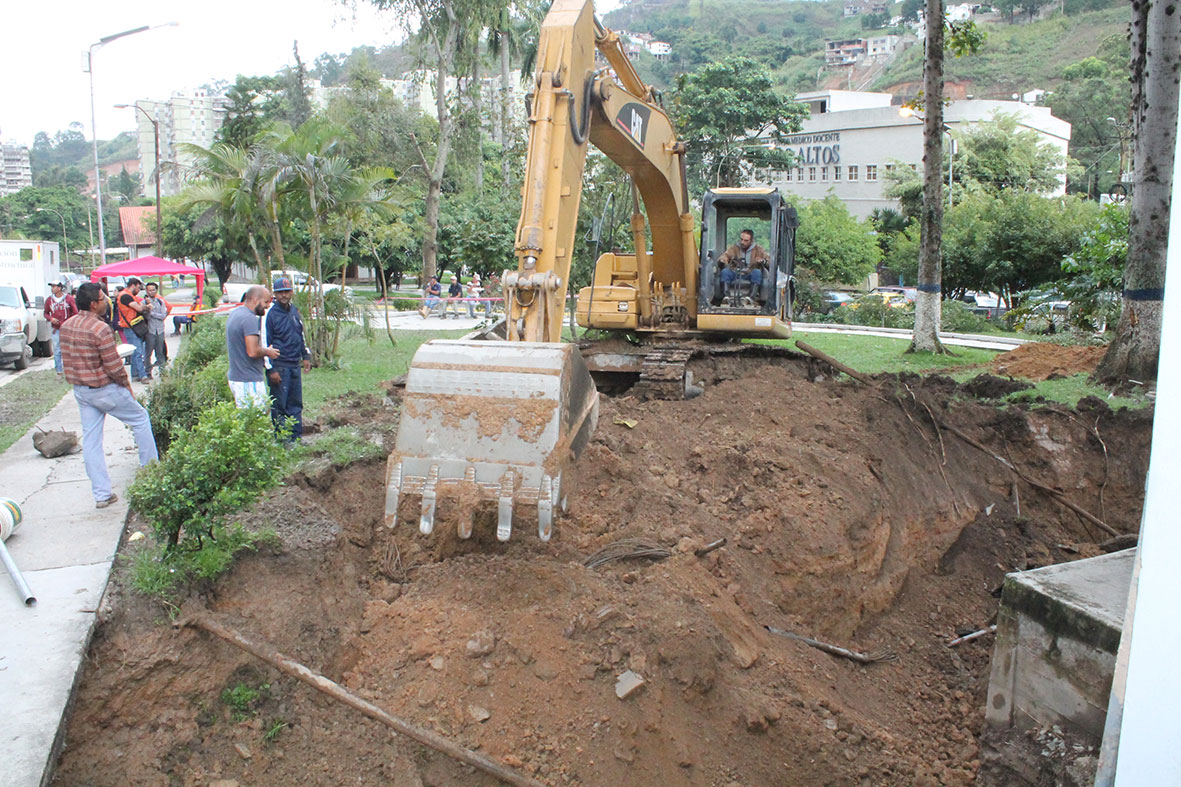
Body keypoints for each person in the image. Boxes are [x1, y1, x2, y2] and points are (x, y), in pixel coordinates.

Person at [60, 282, 158, 509]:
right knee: (140, 419)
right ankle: (152, 475)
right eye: (104, 299)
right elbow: (114, 367)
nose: (107, 302)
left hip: (82, 392)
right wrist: (127, 387)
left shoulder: (67, 326)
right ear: (94, 305)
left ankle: (102, 495)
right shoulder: (100, 329)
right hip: (105, 389)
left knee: (92, 442)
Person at [261, 277, 312, 441]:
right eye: (280, 292)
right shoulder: (269, 315)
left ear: (291, 292)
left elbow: (300, 333)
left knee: (296, 404)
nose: (284, 295)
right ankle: (282, 439)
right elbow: (264, 342)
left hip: (294, 365)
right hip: (280, 367)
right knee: (279, 405)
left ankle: (296, 438)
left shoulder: (294, 311)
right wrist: (271, 369)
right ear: (275, 294)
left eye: (287, 291)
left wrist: (305, 355)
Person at [225, 285, 280, 410]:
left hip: (237, 377)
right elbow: (252, 351)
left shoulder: (236, 313)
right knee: (256, 419)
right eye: (266, 302)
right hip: (248, 380)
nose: (267, 306)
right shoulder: (249, 319)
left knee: (247, 419)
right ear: (255, 299)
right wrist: (268, 352)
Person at [116, 277, 152, 382]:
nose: (139, 290)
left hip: (133, 326)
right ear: (133, 285)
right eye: (138, 287)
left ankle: (135, 374)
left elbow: (139, 304)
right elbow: (139, 308)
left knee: (136, 351)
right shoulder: (125, 296)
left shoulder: (130, 296)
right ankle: (142, 375)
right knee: (138, 352)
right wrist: (148, 306)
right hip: (130, 327)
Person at [718, 229, 770, 300]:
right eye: (741, 239)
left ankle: (751, 298)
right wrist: (723, 260)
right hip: (735, 272)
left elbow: (768, 261)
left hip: (750, 273)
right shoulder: (734, 248)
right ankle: (726, 297)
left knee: (757, 272)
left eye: (746, 240)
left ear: (751, 241)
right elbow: (725, 256)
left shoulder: (759, 249)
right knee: (725, 272)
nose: (742, 242)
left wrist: (762, 261)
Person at [44, 280, 78, 375]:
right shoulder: (49, 300)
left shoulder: (69, 299)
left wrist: (70, 323)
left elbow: (75, 312)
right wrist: (51, 319)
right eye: (51, 287)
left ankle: (70, 369)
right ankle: (59, 370)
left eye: (54, 286)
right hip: (56, 329)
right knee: (57, 349)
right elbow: (45, 313)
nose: (52, 289)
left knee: (68, 349)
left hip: (67, 328)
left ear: (59, 288)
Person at [142, 282, 171, 375]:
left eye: (153, 290)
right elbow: (145, 316)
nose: (151, 292)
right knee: (148, 353)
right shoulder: (143, 303)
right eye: (149, 290)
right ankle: (148, 372)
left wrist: (152, 313)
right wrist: (147, 309)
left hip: (160, 330)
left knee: (160, 352)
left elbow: (163, 315)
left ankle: (163, 372)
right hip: (150, 331)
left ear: (156, 290)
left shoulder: (160, 301)